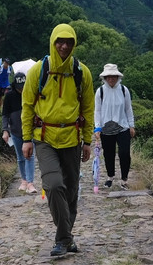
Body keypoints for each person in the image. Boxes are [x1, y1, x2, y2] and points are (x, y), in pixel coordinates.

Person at [22, 23, 94, 257]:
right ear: (53, 42)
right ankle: (64, 239)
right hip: (45, 138)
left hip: (72, 138)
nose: (64, 46)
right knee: (54, 185)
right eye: (60, 41)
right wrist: (26, 138)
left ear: (74, 44)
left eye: (69, 42)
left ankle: (64, 238)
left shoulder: (81, 72)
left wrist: (87, 140)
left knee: (71, 191)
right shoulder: (38, 71)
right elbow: (27, 106)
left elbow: (88, 108)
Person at [93, 63, 136, 190]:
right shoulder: (100, 91)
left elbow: (128, 109)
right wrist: (97, 127)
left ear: (117, 77)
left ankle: (124, 179)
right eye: (108, 77)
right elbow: (98, 111)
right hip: (106, 128)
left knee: (124, 153)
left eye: (113, 76)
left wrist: (131, 125)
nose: (111, 79)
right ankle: (110, 177)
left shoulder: (124, 90)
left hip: (122, 126)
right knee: (109, 154)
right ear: (105, 78)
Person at [2, 71, 37, 193]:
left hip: (30, 131)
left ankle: (30, 182)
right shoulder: (10, 96)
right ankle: (24, 180)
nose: (22, 90)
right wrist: (5, 130)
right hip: (16, 131)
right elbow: (5, 114)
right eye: (19, 88)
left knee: (30, 156)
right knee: (20, 157)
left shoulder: (30, 93)